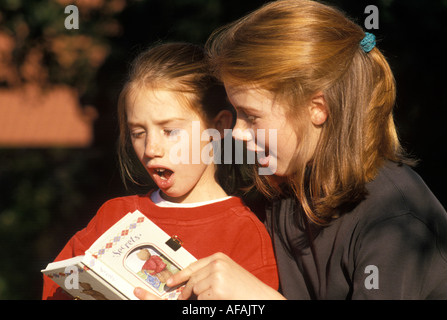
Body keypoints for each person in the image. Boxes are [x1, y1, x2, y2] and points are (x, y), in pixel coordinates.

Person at [135, 0, 447, 300]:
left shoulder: (394, 218)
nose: (238, 132)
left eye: (252, 116)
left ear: (316, 108)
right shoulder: (283, 195)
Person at [42, 42, 278, 300]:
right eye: (138, 133)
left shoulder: (244, 233)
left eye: (170, 131)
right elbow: (57, 286)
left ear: (218, 128)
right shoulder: (113, 216)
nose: (151, 148)